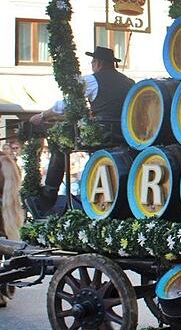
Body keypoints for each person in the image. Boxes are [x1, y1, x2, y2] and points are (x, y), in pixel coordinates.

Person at [25, 46, 134, 217]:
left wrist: (43, 115)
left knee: (59, 142)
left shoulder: (92, 80)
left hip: (103, 133)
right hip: (126, 133)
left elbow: (67, 104)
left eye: (92, 62)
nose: (92, 65)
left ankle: (49, 194)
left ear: (98, 63)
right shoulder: (129, 82)